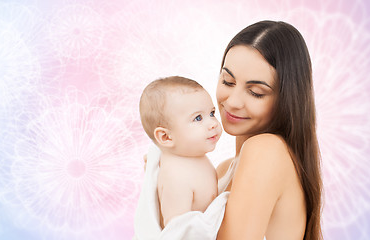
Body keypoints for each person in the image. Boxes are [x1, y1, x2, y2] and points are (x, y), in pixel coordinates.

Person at [215, 20, 323, 240]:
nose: (233, 101)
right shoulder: (224, 169)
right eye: (227, 81)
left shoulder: (266, 150)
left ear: (287, 99)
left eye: (256, 92)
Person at [138, 76, 223, 228]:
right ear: (166, 137)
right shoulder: (176, 177)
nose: (213, 124)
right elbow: (177, 231)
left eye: (211, 113)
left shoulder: (192, 156)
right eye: (198, 118)